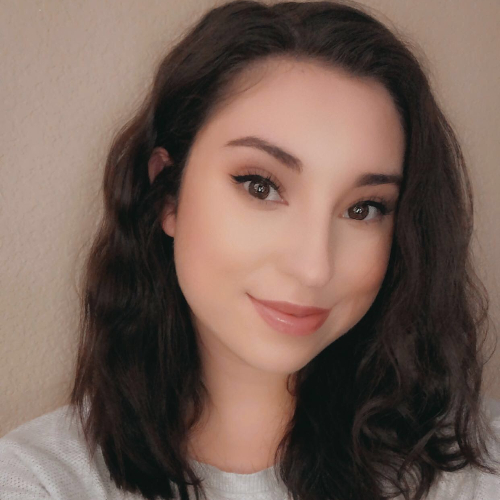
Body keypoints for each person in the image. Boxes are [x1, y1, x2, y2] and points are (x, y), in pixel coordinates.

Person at [1, 0, 500, 499]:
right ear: (168, 194)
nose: (313, 267)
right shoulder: (39, 482)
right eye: (261, 186)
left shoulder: (478, 469)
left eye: (363, 208)